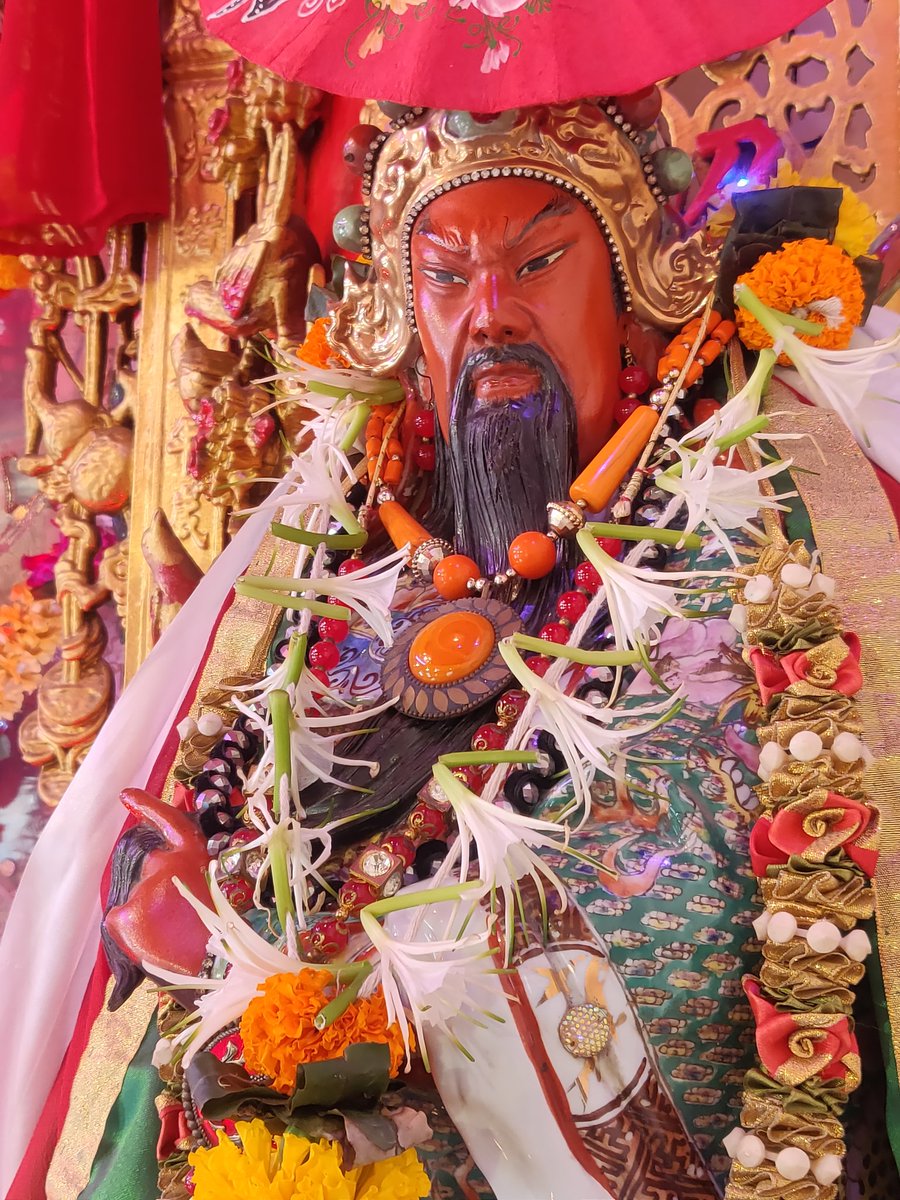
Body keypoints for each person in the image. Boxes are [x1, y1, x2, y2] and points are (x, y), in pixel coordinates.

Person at [1, 99, 896, 1200]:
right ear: (403, 322)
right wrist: (204, 915)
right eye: (447, 278)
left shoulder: (764, 522)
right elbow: (233, 854)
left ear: (630, 295)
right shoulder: (337, 571)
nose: (492, 314)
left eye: (539, 262)